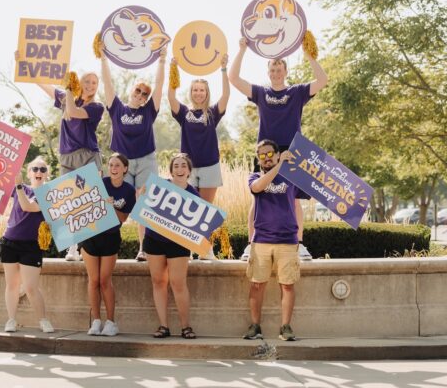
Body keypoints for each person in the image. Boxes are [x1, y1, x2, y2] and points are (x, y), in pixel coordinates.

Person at [229, 37, 328, 262]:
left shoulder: (297, 92)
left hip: (293, 151)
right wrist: (242, 49)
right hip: (266, 152)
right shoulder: (261, 93)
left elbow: (322, 80)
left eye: (279, 68)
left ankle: (299, 244)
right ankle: (250, 244)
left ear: (285, 71)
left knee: (294, 200)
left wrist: (309, 54)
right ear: (268, 72)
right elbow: (233, 78)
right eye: (272, 68)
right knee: (258, 199)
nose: (275, 72)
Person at [100, 47, 167, 262]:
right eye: (138, 90)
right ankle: (106, 246)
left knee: (144, 203)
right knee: (117, 202)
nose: (140, 95)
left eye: (144, 94)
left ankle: (143, 248)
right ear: (131, 90)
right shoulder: (117, 108)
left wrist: (162, 61)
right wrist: (103, 56)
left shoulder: (149, 111)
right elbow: (108, 82)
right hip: (122, 162)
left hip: (146, 159)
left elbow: (159, 86)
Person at [36, 71, 104, 262]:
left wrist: (67, 90)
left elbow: (73, 112)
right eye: (87, 81)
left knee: (85, 201)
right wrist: (25, 66)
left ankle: (85, 248)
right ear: (80, 83)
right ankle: (72, 247)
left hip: (87, 155)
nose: (91, 85)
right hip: (67, 157)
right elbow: (44, 84)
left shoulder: (96, 107)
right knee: (67, 202)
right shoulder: (68, 98)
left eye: (94, 83)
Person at [243, 140, 307, 342]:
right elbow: (258, 187)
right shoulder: (254, 177)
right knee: (256, 284)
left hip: (287, 240)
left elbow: (306, 195)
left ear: (278, 154)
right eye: (262, 155)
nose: (267, 157)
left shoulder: (291, 177)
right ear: (258, 158)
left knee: (287, 285)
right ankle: (255, 326)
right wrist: (280, 166)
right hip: (262, 240)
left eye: (270, 153)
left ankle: (285, 327)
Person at [168, 54, 230, 260]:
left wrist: (223, 69)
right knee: (187, 208)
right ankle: (186, 249)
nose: (198, 93)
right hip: (188, 169)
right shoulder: (184, 112)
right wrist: (173, 69)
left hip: (210, 166)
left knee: (205, 210)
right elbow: (170, 96)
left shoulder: (213, 112)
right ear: (191, 92)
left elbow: (226, 95)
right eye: (195, 90)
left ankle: (205, 249)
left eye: (202, 90)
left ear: (206, 93)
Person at [78, 153, 136, 336]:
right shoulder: (100, 183)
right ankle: (96, 321)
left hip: (111, 237)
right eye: (111, 165)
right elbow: (81, 202)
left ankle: (111, 322)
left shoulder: (128, 190)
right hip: (90, 235)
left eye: (117, 165)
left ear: (125, 168)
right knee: (93, 280)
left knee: (104, 280)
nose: (113, 168)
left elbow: (124, 218)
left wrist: (111, 208)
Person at [142, 153, 197, 339]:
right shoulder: (158, 186)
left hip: (178, 243)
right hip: (154, 240)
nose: (179, 169)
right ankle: (163, 326)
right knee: (158, 282)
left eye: (183, 166)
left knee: (178, 283)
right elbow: (142, 205)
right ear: (171, 170)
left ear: (189, 171)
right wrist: (142, 193)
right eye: (176, 166)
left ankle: (186, 326)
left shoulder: (193, 194)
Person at [0, 156, 54, 334]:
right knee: (12, 285)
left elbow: (27, 206)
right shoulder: (19, 188)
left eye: (42, 170)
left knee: (30, 287)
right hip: (9, 241)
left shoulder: (49, 194)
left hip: (31, 245)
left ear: (47, 174)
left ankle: (43, 320)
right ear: (29, 173)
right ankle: (11, 320)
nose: (39, 172)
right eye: (35, 169)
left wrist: (19, 186)